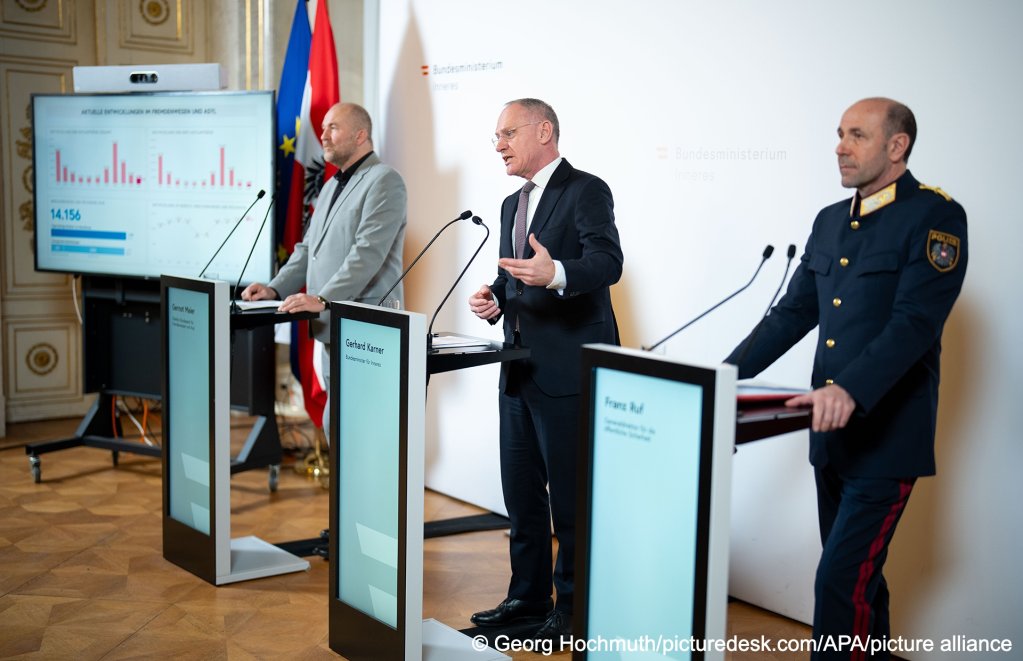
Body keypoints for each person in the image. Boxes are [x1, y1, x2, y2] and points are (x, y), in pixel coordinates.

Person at [725, 97, 967, 659]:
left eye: (857, 135)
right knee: (860, 580)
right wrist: (721, 373)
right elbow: (792, 314)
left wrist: (851, 389)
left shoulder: (935, 217)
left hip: (888, 439)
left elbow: (915, 323)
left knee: (838, 582)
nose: (840, 146)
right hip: (830, 438)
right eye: (839, 134)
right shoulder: (831, 220)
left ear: (897, 145)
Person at [467, 98, 624, 640]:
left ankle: (575, 614)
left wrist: (555, 272)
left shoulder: (586, 189)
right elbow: (515, 276)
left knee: (572, 502)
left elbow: (607, 262)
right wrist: (496, 297)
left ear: (544, 131)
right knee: (523, 497)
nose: (499, 145)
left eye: (508, 133)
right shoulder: (514, 203)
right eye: (495, 136)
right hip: (517, 371)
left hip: (568, 374)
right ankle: (527, 598)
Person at [242, 102, 407, 434]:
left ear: (361, 134)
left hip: (366, 325)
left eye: (333, 127)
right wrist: (275, 288)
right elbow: (308, 250)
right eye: (323, 129)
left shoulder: (385, 180)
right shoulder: (331, 185)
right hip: (334, 324)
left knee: (365, 431)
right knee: (340, 428)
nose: (323, 136)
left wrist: (322, 298)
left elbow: (367, 255)